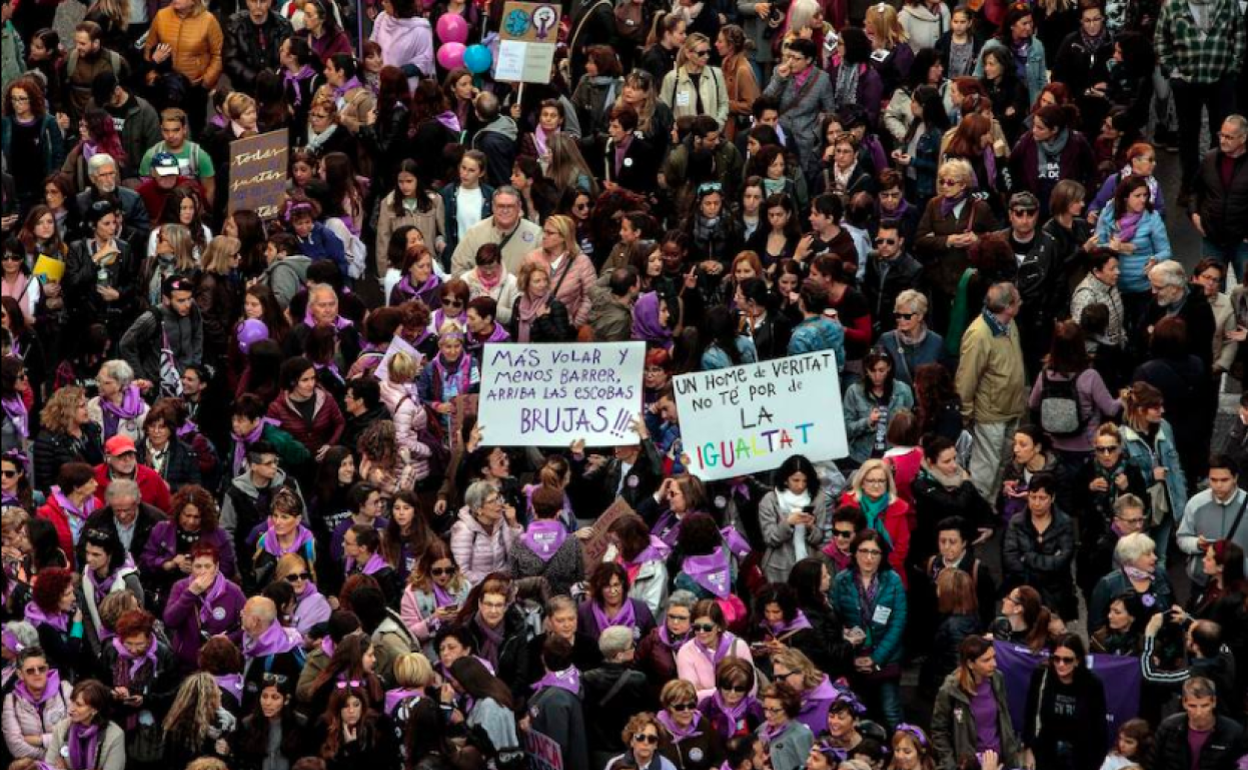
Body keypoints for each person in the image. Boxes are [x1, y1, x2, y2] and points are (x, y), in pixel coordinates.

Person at [955, 282, 1026, 500]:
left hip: (1012, 409)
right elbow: (966, 379)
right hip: (990, 414)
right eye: (1017, 300)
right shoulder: (978, 335)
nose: (1021, 302)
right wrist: (965, 414)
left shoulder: (1010, 324)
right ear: (1008, 307)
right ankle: (979, 516)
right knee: (985, 471)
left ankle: (992, 511)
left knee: (1002, 467)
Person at [930, 636, 1022, 769]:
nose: (994, 664)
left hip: (1000, 760)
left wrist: (1012, 753)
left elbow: (1004, 719)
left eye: (994, 657)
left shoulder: (997, 679)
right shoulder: (950, 690)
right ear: (970, 663)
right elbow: (939, 731)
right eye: (986, 660)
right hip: (969, 763)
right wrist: (949, 764)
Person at [1002, 473, 1077, 619]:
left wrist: (1028, 558)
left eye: (1042, 498)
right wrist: (1044, 562)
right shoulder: (1016, 523)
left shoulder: (1064, 523)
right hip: (1023, 593)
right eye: (1032, 497)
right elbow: (1010, 558)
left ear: (1052, 498)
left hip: (1056, 594)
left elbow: (1062, 560)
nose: (1036, 503)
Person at [1191, 116, 1248, 277]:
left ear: (1243, 138)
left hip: (1242, 243)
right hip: (1212, 239)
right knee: (1210, 292)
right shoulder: (1210, 159)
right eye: (1221, 135)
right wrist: (1194, 214)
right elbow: (1195, 190)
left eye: (1229, 137)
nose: (1223, 140)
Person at [1150, 677, 1245, 770]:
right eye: (1192, 706)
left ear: (1214, 702)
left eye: (1204, 705)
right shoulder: (1168, 727)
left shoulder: (1233, 732)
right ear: (1184, 703)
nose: (1198, 712)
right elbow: (1152, 764)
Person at [43, 679, 125, 770]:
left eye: (79, 705)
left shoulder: (114, 735)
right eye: (72, 701)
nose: (71, 709)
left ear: (94, 710)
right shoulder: (62, 727)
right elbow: (48, 765)